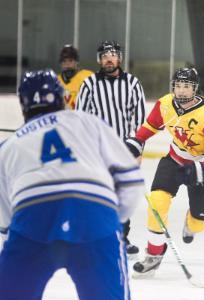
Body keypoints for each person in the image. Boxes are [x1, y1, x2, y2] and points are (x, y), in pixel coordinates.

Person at [0, 69, 144, 299]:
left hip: (33, 219)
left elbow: (7, 221)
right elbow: (131, 179)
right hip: (94, 215)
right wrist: (110, 224)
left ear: (23, 104)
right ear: (60, 97)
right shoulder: (88, 122)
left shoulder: (8, 147)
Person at [125, 67, 204, 276]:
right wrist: (137, 141)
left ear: (195, 89)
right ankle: (154, 255)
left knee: (199, 222)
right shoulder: (165, 104)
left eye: (187, 87)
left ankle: (191, 223)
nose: (181, 91)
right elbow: (151, 125)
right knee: (157, 201)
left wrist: (200, 168)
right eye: (178, 86)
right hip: (175, 159)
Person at [76, 40, 146, 256]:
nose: (109, 58)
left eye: (113, 54)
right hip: (97, 150)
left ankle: (121, 239)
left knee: (122, 195)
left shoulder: (133, 83)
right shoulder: (89, 84)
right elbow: (80, 118)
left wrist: (137, 149)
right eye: (104, 55)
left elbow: (142, 122)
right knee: (97, 195)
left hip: (124, 150)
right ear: (99, 60)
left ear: (119, 58)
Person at [57, 44, 93, 109]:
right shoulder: (56, 81)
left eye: (70, 61)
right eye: (64, 61)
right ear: (61, 64)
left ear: (76, 62)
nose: (67, 64)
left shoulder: (87, 77)